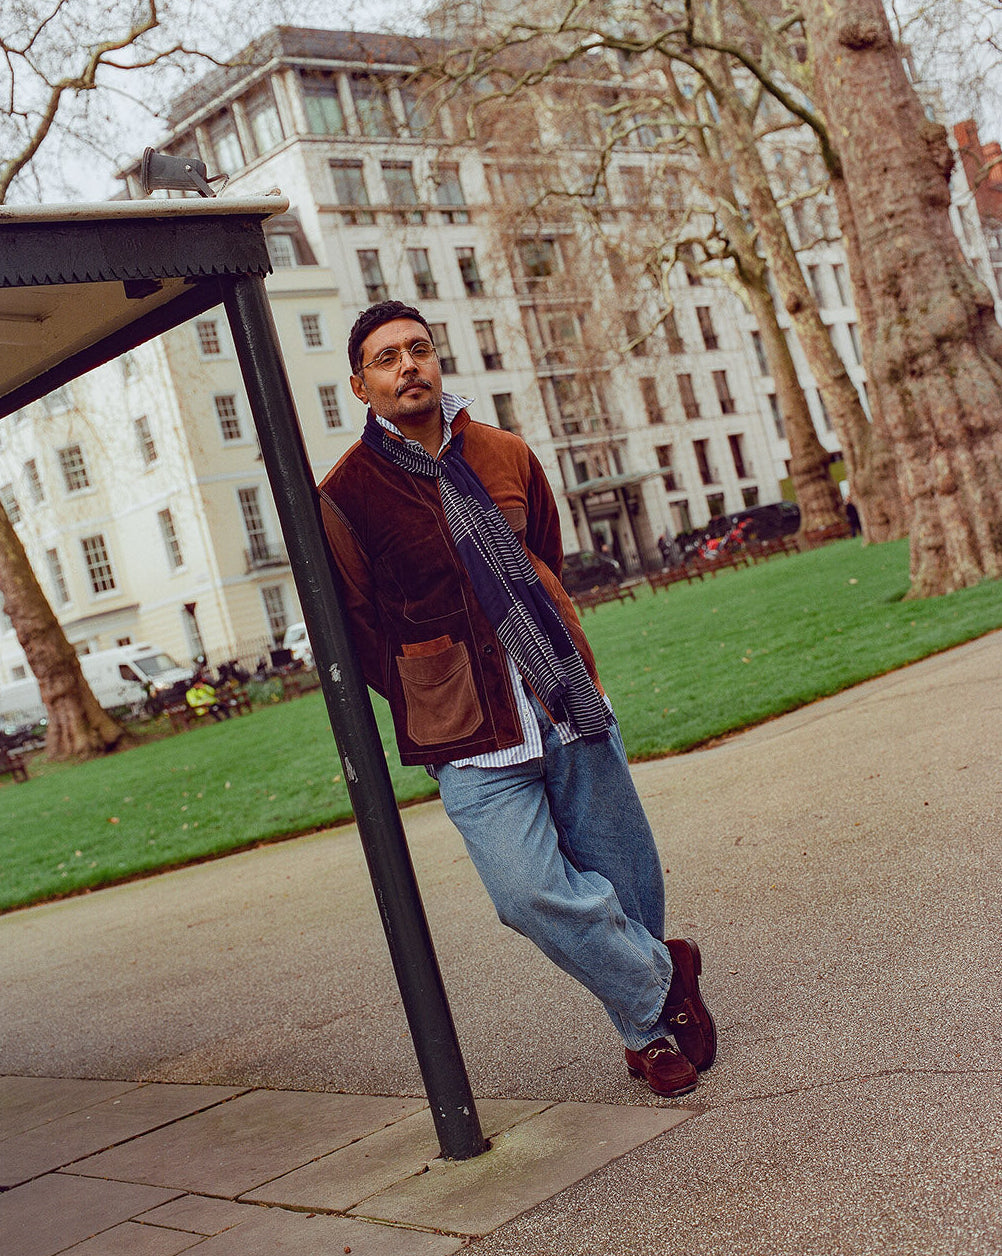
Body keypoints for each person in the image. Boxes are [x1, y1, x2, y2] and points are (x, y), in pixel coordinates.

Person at [318, 301, 716, 1097]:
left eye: (419, 350)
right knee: (527, 892)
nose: (408, 367)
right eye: (387, 359)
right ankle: (662, 976)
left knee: (621, 871)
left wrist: (552, 643)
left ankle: (644, 1035)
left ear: (437, 361)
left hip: (560, 691)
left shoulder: (504, 451)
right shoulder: (347, 494)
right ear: (361, 386)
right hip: (464, 726)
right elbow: (357, 624)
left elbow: (545, 560)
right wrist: (427, 683)